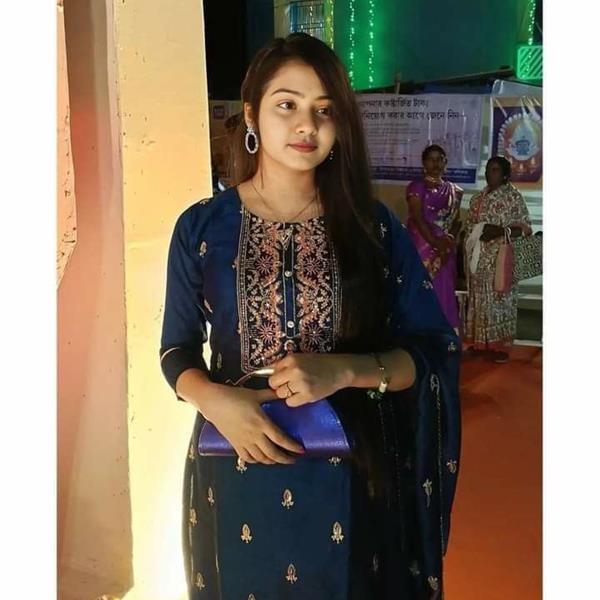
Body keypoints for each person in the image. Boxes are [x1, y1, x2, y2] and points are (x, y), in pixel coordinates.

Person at [160, 33, 460, 600]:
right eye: (287, 105)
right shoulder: (201, 226)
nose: (307, 125)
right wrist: (215, 400)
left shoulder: (372, 227)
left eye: (324, 110)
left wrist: (344, 370)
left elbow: (430, 351)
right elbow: (176, 349)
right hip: (235, 466)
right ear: (252, 114)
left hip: (351, 478)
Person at [463, 156, 532, 363]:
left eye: (494, 170)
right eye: (488, 169)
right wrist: (476, 233)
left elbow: (525, 229)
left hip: (500, 260)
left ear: (505, 175)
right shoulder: (477, 198)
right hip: (478, 261)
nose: (488, 173)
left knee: (500, 302)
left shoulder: (513, 197)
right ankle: (479, 344)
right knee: (478, 302)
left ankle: (500, 347)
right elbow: (470, 225)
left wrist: (501, 231)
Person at [405, 145, 463, 331]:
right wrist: (435, 242)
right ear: (424, 163)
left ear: (446, 163)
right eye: (431, 159)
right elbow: (417, 217)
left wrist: (448, 239)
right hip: (422, 246)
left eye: (440, 159)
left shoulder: (455, 191)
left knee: (444, 288)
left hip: (445, 247)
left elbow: (457, 221)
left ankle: (444, 332)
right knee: (422, 287)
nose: (436, 163)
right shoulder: (416, 187)